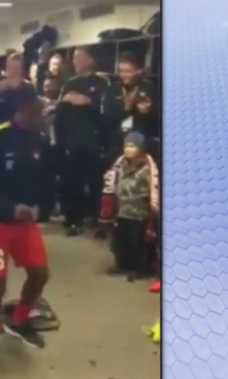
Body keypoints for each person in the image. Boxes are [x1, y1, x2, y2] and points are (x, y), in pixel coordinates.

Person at [0, 90, 55, 361]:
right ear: (21, 109)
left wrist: (43, 207)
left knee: (40, 274)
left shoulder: (40, 139)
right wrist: (9, 208)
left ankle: (20, 319)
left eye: (42, 110)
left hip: (24, 224)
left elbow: (46, 180)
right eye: (36, 110)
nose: (41, 115)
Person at [55, 46, 110, 236]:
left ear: (90, 61)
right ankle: (75, 219)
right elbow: (62, 108)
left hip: (93, 139)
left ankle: (96, 218)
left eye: (79, 58)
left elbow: (105, 109)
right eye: (74, 59)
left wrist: (88, 101)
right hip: (72, 139)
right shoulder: (70, 83)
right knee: (73, 181)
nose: (76, 62)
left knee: (95, 181)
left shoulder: (102, 82)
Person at [96, 132, 160, 280]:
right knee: (121, 239)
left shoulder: (148, 167)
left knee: (140, 241)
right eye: (126, 146)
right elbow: (112, 181)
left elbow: (154, 187)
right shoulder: (120, 164)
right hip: (123, 209)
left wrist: (153, 207)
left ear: (141, 148)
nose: (128, 150)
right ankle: (123, 264)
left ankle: (143, 267)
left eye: (132, 146)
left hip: (140, 211)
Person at [100, 54, 160, 166]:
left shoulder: (149, 89)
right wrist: (127, 109)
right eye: (121, 71)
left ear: (138, 71)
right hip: (116, 140)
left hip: (141, 140)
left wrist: (148, 112)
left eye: (128, 71)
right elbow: (107, 117)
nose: (124, 75)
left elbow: (158, 119)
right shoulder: (113, 89)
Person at [0, 53, 37, 123]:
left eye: (17, 68)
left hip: (22, 125)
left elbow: (31, 111)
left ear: (22, 69)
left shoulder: (29, 88)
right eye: (11, 67)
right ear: (7, 68)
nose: (14, 71)